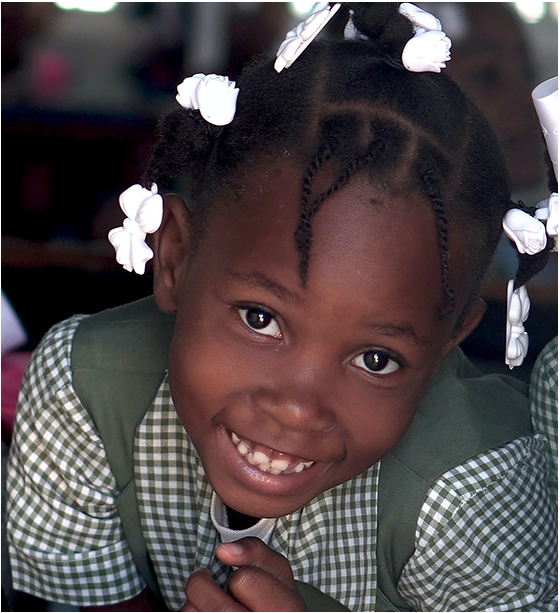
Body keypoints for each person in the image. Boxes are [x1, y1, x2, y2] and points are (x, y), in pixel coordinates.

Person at [6, 2, 558, 612]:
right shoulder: (84, 390)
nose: (298, 407)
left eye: (376, 359)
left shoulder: (470, 492)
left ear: (449, 341)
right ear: (175, 258)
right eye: (260, 318)